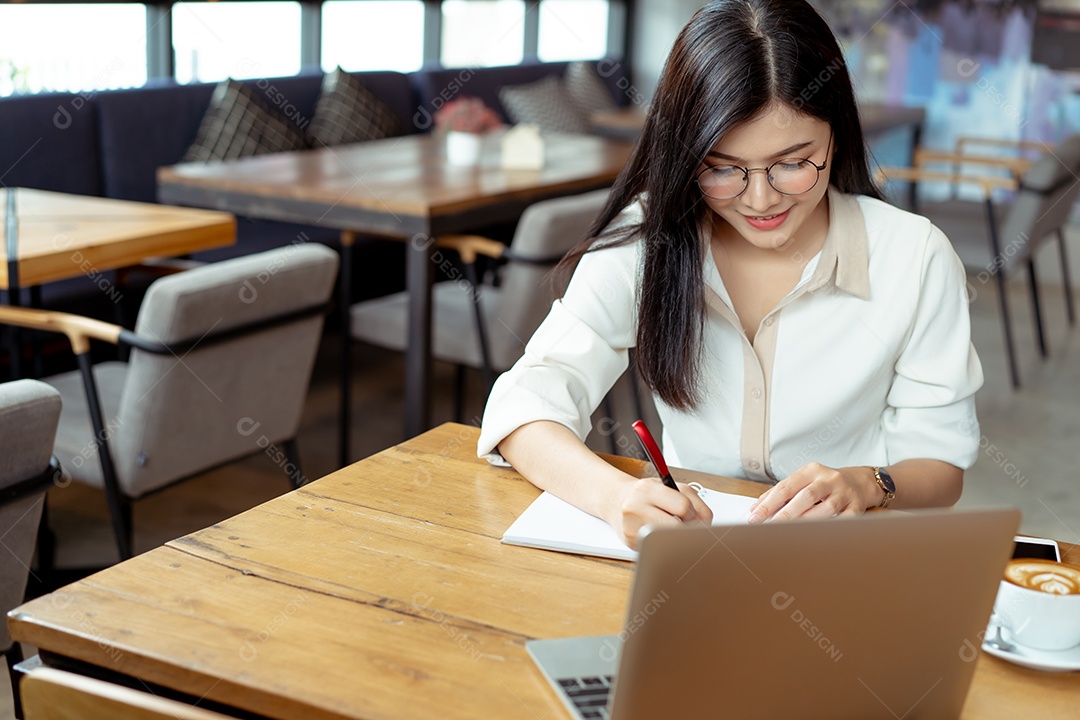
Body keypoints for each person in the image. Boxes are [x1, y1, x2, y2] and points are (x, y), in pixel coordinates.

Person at [477, 0, 982, 547]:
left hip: (844, 554)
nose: (760, 199)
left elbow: (941, 468)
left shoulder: (914, 255)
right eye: (722, 169)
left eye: (793, 162)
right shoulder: (648, 239)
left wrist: (870, 483)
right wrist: (614, 496)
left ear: (837, 135)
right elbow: (524, 407)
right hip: (694, 553)